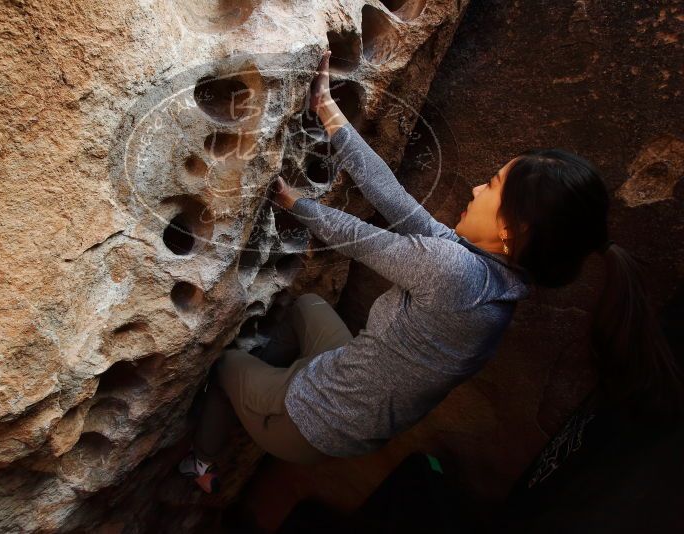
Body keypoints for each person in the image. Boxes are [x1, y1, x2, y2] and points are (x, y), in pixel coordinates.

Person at [178, 50, 684, 494]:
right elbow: (397, 203)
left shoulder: (454, 274)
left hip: (311, 423)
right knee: (309, 308)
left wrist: (292, 200)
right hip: (355, 403)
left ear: (514, 230)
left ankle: (201, 464)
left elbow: (359, 238)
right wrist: (328, 111)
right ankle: (270, 375)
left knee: (222, 368)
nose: (476, 191)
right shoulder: (496, 280)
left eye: (492, 186)